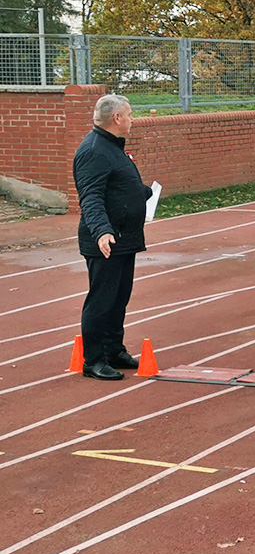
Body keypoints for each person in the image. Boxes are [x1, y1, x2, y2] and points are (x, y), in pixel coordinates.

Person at [73, 93, 153, 380]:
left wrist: (140, 193)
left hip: (124, 237)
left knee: (120, 297)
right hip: (106, 240)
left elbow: (116, 185)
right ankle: (93, 360)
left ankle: (113, 350)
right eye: (129, 114)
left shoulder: (112, 147)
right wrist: (102, 231)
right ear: (117, 118)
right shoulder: (94, 150)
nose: (132, 119)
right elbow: (91, 197)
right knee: (102, 300)